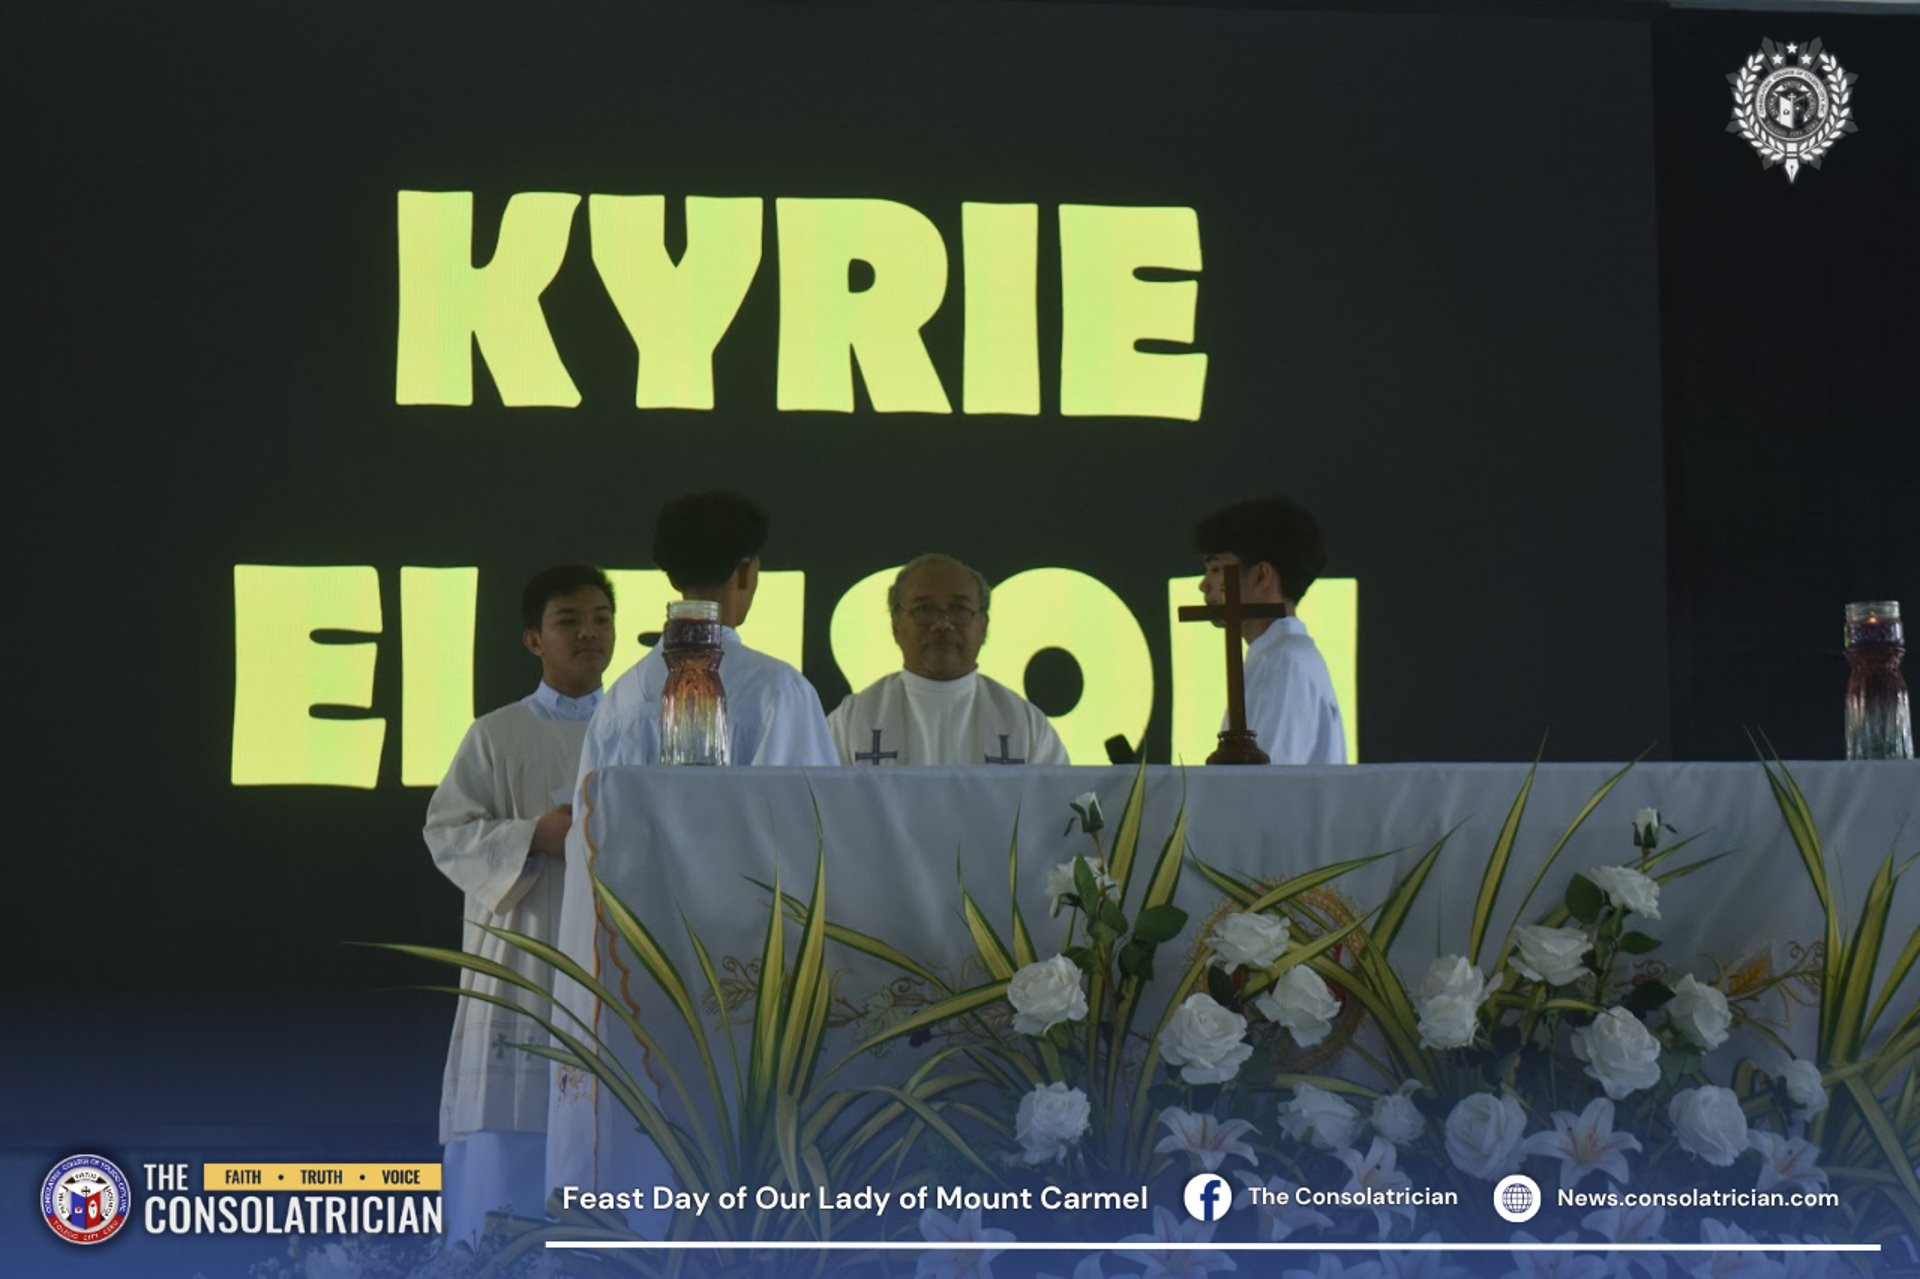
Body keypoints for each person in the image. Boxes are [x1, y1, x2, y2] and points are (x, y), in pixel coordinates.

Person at [422, 563, 615, 1245]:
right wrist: (536, 835)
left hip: (610, 962)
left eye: (601, 618)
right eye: (570, 620)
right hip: (525, 959)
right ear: (535, 639)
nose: (589, 633)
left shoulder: (639, 732)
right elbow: (447, 832)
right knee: (509, 1147)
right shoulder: (496, 735)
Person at [575, 491, 836, 773]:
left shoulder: (617, 702)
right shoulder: (781, 692)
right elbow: (812, 798)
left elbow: (589, 801)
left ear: (673, 578)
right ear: (745, 571)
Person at [827, 553, 1069, 766]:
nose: (942, 624)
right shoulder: (852, 721)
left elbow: (1063, 801)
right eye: (924, 610)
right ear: (896, 623)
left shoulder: (1025, 724)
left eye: (959, 610)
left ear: (983, 625)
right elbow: (816, 798)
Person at [1192, 496, 1346, 765]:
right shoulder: (1275, 656)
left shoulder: (1286, 661)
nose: (1204, 585)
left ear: (1261, 576)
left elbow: (1267, 781)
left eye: (1215, 569)